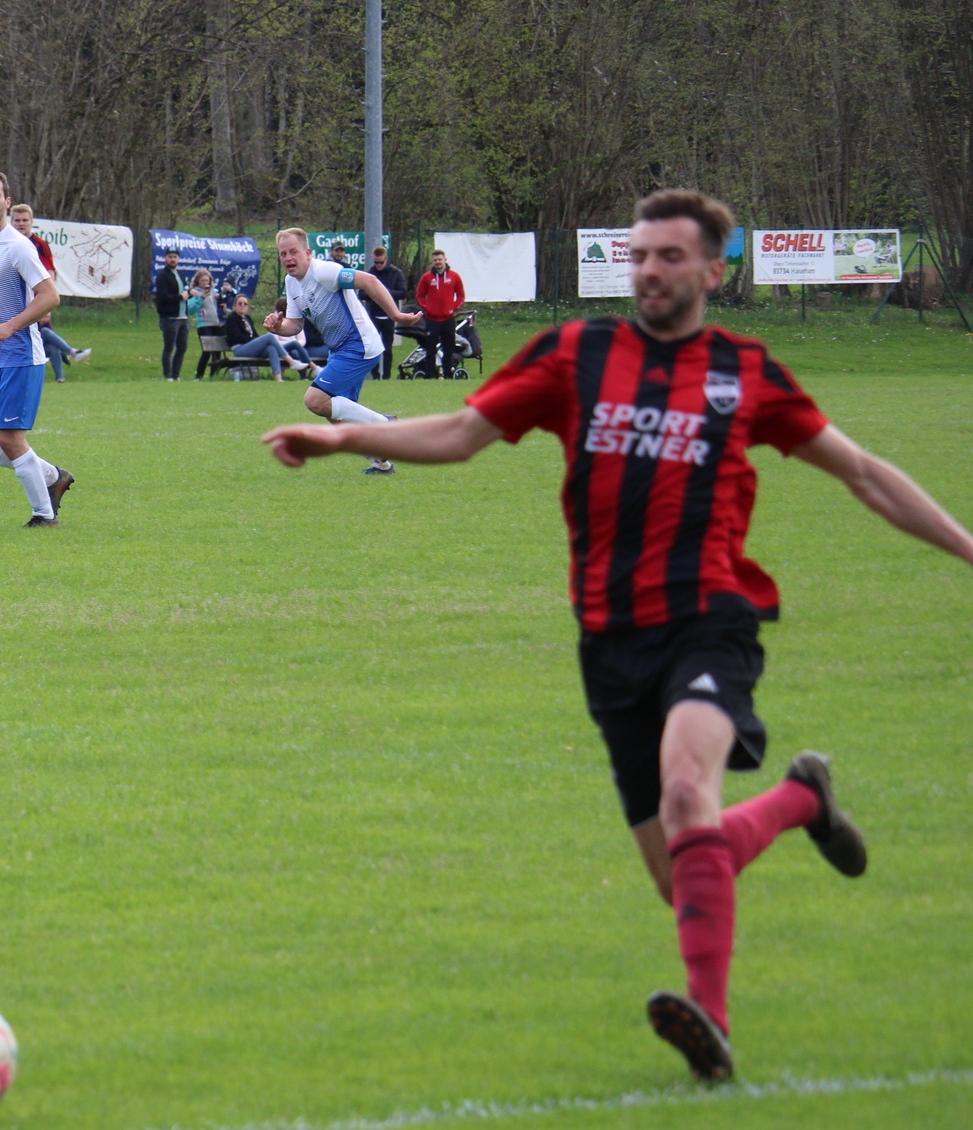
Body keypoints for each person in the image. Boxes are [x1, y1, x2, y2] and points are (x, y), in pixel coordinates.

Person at [263, 189, 973, 1082]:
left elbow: (865, 474)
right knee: (685, 877)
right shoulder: (578, 354)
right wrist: (333, 443)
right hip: (609, 637)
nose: (649, 271)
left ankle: (708, 1026)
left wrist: (966, 547)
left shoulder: (744, 371)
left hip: (711, 618)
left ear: (714, 271)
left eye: (670, 257)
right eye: (639, 256)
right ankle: (801, 800)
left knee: (687, 796)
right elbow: (462, 432)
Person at [261, 227, 421, 475]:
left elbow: (369, 281)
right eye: (283, 254)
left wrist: (396, 315)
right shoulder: (292, 283)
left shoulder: (325, 271)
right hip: (340, 350)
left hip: (360, 346)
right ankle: (382, 463)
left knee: (314, 401)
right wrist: (278, 326)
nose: (288, 258)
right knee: (336, 418)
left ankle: (387, 425)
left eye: (293, 251)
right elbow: (294, 325)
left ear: (308, 252)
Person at [0, 170, 73, 527]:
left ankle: (44, 516)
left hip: (22, 358)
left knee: (11, 440)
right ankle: (53, 477)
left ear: (7, 202)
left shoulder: (18, 246)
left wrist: (11, 327)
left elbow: (50, 296)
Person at [9, 205, 90, 379]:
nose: (21, 224)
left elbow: (49, 275)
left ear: (31, 222)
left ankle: (60, 373)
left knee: (44, 334)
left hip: (35, 301)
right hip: (13, 301)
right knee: (42, 337)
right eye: (17, 220)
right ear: (11, 222)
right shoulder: (6, 243)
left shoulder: (40, 245)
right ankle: (69, 358)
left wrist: (46, 306)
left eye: (25, 220)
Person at [221, 295, 301, 380]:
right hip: (240, 349)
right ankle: (291, 362)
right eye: (240, 304)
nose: (242, 306)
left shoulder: (247, 318)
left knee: (271, 348)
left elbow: (254, 335)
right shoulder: (232, 318)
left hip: (251, 348)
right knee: (269, 337)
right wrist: (256, 341)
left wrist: (257, 341)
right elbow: (237, 337)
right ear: (235, 306)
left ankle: (278, 378)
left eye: (245, 304)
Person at [415, 249, 466, 377]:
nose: (438, 262)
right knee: (430, 350)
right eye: (435, 260)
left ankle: (448, 375)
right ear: (433, 261)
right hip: (432, 320)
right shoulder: (427, 277)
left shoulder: (454, 276)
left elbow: (461, 295)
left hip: (448, 319)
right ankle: (431, 376)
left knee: (448, 350)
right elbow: (420, 295)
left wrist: (454, 308)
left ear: (445, 260)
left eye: (440, 259)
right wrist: (427, 307)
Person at [368, 245, 408, 379]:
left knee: (387, 348)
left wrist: (385, 293)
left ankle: (386, 376)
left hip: (389, 315)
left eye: (381, 262)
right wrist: (374, 294)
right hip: (373, 314)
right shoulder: (371, 273)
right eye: (376, 262)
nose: (378, 265)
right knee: (373, 348)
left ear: (386, 259)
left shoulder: (396, 273)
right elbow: (361, 293)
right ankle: (375, 376)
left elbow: (403, 293)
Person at [153, 247, 187, 380]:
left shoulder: (181, 275)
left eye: (175, 257)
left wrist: (189, 295)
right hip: (170, 317)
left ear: (178, 259)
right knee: (169, 347)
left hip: (183, 316)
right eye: (170, 257)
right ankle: (168, 375)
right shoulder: (162, 276)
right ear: (165, 258)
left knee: (182, 347)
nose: (172, 259)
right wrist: (180, 297)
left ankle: (176, 374)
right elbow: (162, 297)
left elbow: (185, 293)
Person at [190, 268, 230, 380]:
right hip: (204, 325)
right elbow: (191, 309)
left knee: (217, 353)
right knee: (206, 351)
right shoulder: (195, 292)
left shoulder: (215, 292)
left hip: (217, 324)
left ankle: (214, 376)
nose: (205, 283)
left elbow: (223, 306)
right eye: (202, 281)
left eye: (207, 281)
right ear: (198, 281)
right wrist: (201, 297)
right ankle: (199, 375)